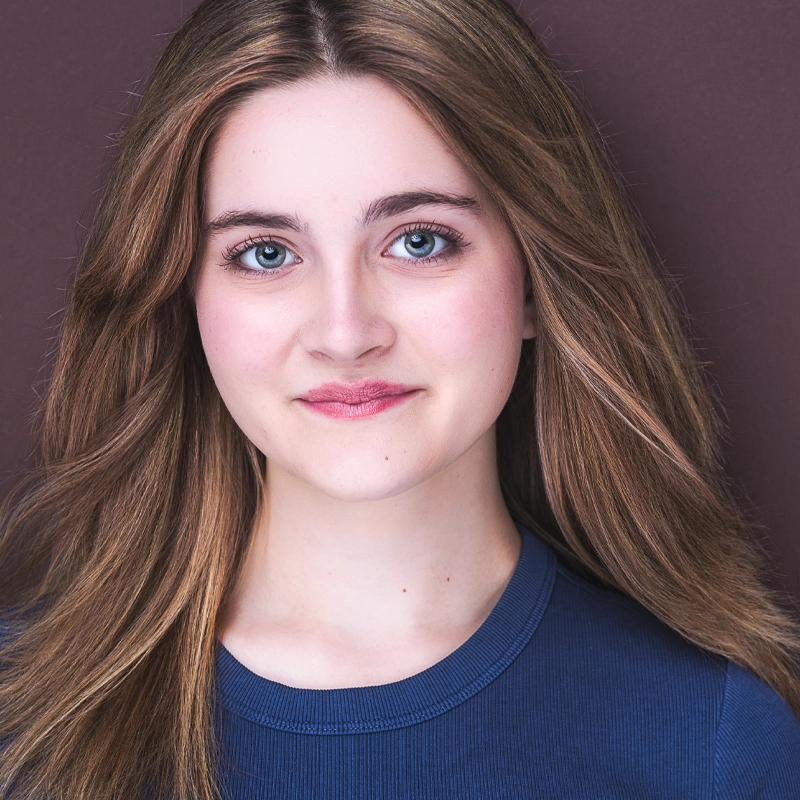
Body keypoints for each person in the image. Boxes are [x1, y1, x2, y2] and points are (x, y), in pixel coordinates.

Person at [1, 0, 799, 797]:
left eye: (419, 241)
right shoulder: (22, 725)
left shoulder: (713, 744)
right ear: (184, 298)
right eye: (267, 252)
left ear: (534, 281)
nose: (346, 333)